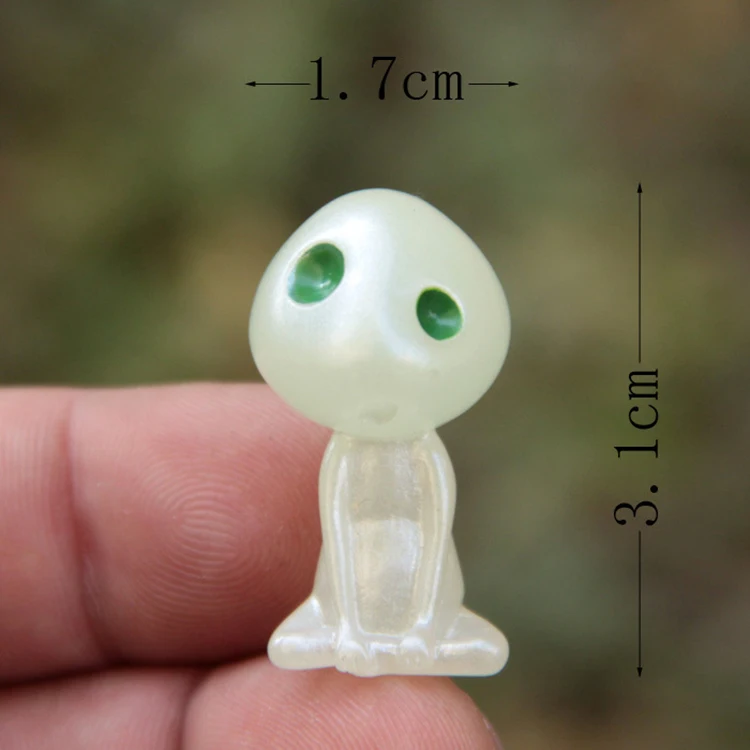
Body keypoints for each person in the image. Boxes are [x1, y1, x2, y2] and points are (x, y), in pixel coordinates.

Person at [0, 383, 502, 748]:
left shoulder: (424, 448)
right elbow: (339, 536)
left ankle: (406, 633)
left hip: (422, 601)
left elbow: (435, 535)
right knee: (296, 641)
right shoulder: (345, 449)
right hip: (350, 603)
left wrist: (422, 626)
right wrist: (350, 627)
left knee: (470, 631)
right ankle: (355, 632)